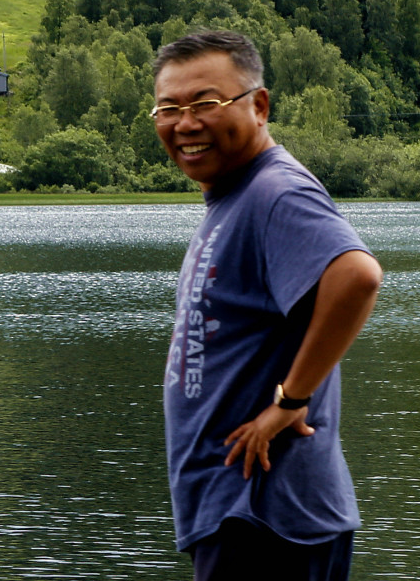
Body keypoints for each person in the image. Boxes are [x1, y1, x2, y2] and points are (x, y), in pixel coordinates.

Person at [152, 30, 382, 580]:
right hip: (241, 513)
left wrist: (291, 398)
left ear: (258, 105)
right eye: (168, 108)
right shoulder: (237, 197)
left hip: (266, 517)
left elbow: (357, 277)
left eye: (206, 103)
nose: (185, 123)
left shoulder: (275, 192)